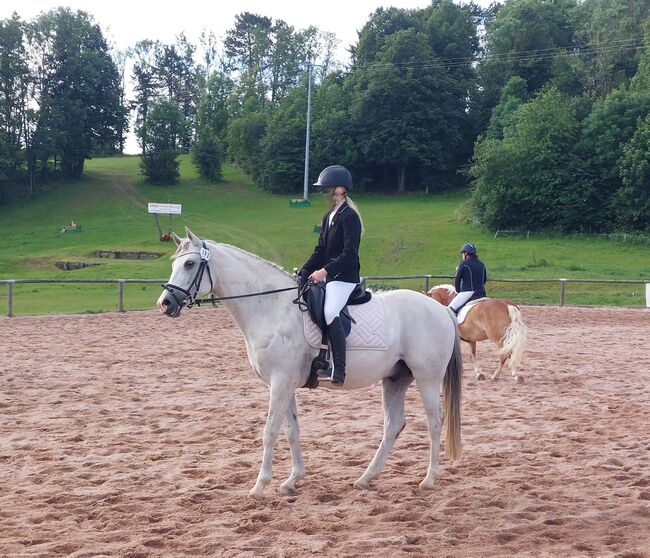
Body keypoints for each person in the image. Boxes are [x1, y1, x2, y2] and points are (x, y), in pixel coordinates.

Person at [300, 164, 364, 386]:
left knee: (329, 311)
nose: (324, 194)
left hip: (344, 277)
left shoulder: (350, 217)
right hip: (329, 276)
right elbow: (320, 251)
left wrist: (324, 271)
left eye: (327, 189)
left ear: (340, 190)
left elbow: (349, 254)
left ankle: (339, 369)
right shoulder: (329, 216)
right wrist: (305, 271)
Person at [448, 242, 488, 315]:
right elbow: (484, 279)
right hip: (482, 293)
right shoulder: (482, 264)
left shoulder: (464, 264)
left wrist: (458, 291)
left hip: (467, 293)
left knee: (449, 310)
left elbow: (457, 279)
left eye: (463, 253)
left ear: (465, 253)